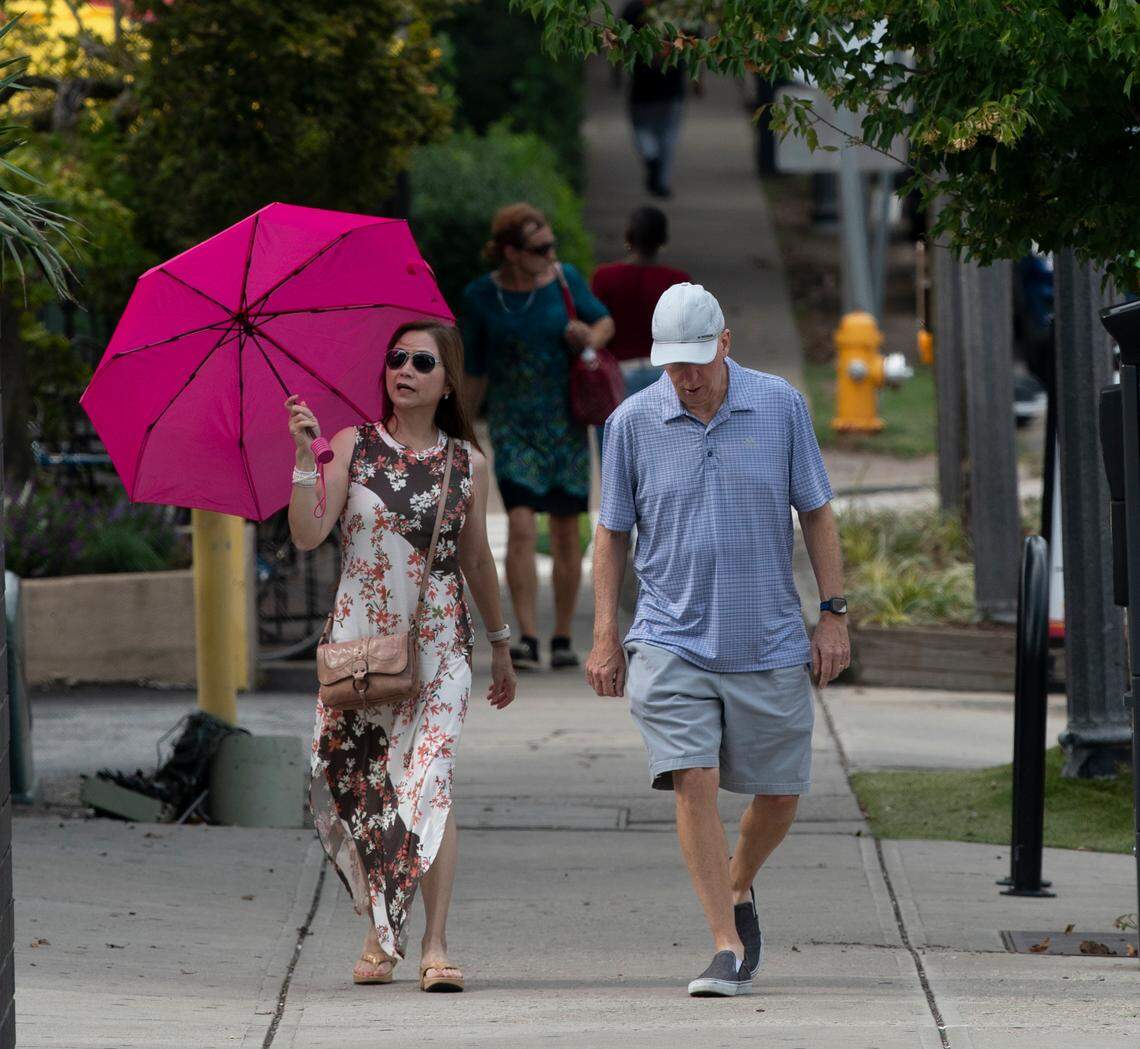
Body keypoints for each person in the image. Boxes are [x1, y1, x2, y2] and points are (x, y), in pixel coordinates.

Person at [586, 283, 851, 997]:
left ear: (725, 343)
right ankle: (725, 945)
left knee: (781, 792)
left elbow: (818, 514)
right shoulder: (632, 423)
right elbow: (610, 535)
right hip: (671, 636)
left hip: (766, 636)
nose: (687, 376)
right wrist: (607, 631)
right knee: (693, 776)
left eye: (699, 359)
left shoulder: (781, 405)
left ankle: (737, 884)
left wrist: (832, 612)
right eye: (673, 363)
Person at [287, 320, 518, 992]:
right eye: (396, 358)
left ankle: (435, 943)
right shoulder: (350, 446)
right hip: (359, 648)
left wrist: (501, 644)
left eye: (422, 360)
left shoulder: (467, 464)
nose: (405, 369)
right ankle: (380, 930)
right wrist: (306, 458)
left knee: (429, 781)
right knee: (364, 787)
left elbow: (476, 558)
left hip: (440, 647)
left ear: (448, 381)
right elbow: (307, 534)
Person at [461, 203, 615, 672]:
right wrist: (461, 430)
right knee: (523, 525)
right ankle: (526, 634)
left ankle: (564, 634)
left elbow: (605, 323)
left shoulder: (565, 280)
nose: (550, 254)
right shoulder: (481, 297)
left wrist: (587, 337)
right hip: (511, 425)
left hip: (564, 422)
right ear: (510, 251)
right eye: (538, 248)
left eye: (552, 245)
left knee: (568, 531)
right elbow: (473, 370)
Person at [591, 205, 691, 403]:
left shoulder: (604, 277)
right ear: (663, 239)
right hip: (665, 373)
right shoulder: (678, 281)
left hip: (617, 371)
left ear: (629, 236)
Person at [621, 0, 690, 198]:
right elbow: (694, 44)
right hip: (672, 86)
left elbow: (619, 41)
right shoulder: (680, 9)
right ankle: (662, 182)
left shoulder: (633, 9)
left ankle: (651, 158)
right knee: (669, 136)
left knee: (641, 129)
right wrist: (698, 80)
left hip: (642, 86)